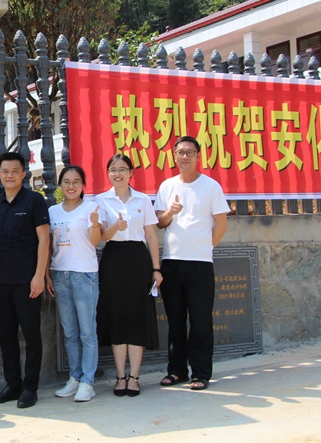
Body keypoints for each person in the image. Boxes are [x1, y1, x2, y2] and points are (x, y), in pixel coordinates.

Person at [155, 136, 230, 391]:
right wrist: (171, 211)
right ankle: (176, 371)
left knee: (200, 320)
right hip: (172, 261)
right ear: (174, 156)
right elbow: (160, 223)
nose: (184, 156)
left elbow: (222, 223)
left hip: (200, 263)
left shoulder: (210, 186)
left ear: (198, 156)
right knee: (175, 320)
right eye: (180, 152)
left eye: (190, 152)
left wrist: (207, 247)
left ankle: (200, 373)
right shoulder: (167, 186)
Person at [0, 152, 50, 409]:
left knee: (31, 335)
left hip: (27, 280)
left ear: (23, 173)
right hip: (0, 280)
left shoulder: (34, 201)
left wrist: (39, 275)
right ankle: (13, 385)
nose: (9, 175)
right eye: (5, 171)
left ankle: (30, 387)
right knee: (5, 335)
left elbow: (44, 239)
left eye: (14, 171)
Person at [94, 154, 162, 397]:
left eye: (122, 169)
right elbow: (102, 235)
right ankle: (120, 376)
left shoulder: (142, 200)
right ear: (108, 173)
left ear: (131, 173)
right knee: (117, 317)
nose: (118, 174)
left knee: (136, 317)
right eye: (113, 169)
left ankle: (134, 377)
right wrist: (116, 227)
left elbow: (151, 236)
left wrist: (156, 269)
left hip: (138, 260)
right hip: (113, 259)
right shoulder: (101, 200)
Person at [46, 166, 102, 403]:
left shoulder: (91, 208)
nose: (71, 186)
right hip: (60, 274)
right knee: (69, 332)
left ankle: (88, 382)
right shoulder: (52, 211)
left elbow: (95, 241)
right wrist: (47, 274)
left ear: (83, 185)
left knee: (87, 332)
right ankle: (75, 378)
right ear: (60, 185)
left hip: (84, 274)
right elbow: (48, 244)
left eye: (76, 181)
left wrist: (95, 224)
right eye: (67, 181)